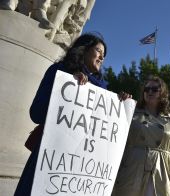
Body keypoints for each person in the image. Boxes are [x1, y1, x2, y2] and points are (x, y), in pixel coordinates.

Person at [14, 32, 130, 196]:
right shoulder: (59, 72)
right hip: (49, 164)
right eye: (98, 51)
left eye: (104, 55)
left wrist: (120, 103)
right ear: (84, 50)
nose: (102, 57)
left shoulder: (103, 90)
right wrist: (68, 87)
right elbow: (36, 113)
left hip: (79, 175)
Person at [112, 76, 170, 196]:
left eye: (154, 89)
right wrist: (120, 102)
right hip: (131, 174)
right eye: (146, 89)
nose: (149, 92)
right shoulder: (131, 111)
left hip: (162, 178)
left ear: (162, 93)